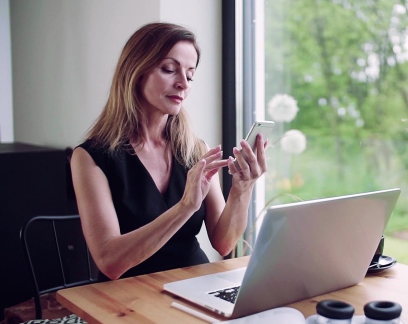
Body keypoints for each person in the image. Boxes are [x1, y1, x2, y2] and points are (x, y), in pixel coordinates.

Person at [70, 22, 267, 281]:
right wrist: (185, 207)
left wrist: (243, 189)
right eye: (169, 70)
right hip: (126, 298)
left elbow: (224, 242)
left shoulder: (195, 150)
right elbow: (110, 262)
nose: (183, 83)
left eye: (190, 74)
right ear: (136, 71)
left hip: (194, 284)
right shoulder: (90, 158)